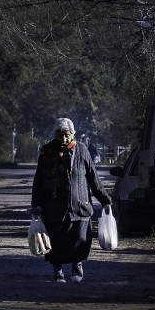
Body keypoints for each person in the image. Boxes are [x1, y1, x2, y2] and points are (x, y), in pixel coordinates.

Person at [31, 118, 112, 283]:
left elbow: (93, 177)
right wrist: (36, 204)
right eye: (60, 135)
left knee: (80, 239)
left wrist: (105, 199)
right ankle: (58, 270)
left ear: (72, 134)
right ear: (55, 135)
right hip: (54, 206)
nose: (64, 139)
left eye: (67, 135)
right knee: (56, 241)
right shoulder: (46, 153)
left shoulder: (82, 150)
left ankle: (77, 265)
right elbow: (38, 181)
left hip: (80, 205)